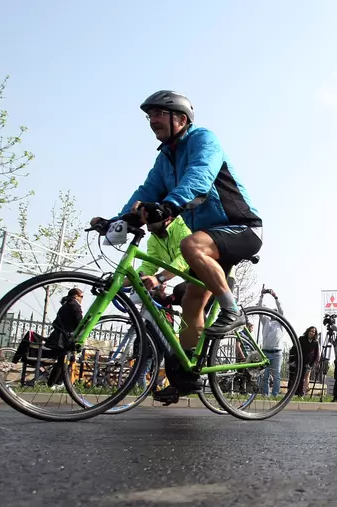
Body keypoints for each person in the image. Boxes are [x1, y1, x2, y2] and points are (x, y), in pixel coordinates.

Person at [90, 91, 262, 402]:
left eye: (159, 113)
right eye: (149, 115)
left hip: (240, 228)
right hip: (212, 241)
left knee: (189, 244)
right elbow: (146, 190)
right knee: (193, 305)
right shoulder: (165, 158)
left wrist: (169, 206)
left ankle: (233, 310)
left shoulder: (204, 140)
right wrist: (119, 220)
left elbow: (200, 176)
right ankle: (187, 379)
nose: (152, 120)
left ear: (181, 119)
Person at [258, 289, 285, 397]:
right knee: (265, 375)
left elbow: (281, 310)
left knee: (276, 375)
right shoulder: (266, 321)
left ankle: (275, 394)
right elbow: (259, 309)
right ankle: (265, 393)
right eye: (272, 312)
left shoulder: (280, 323)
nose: (273, 314)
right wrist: (261, 296)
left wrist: (275, 297)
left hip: (276, 353)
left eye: (275, 312)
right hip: (265, 351)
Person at [290, 326, 321, 396]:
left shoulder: (315, 343)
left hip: (307, 363)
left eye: (313, 332)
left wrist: (311, 364)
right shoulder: (302, 339)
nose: (311, 333)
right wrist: (292, 359)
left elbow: (316, 354)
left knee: (303, 377)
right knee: (298, 376)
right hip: (299, 360)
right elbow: (294, 348)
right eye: (310, 331)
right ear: (308, 331)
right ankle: (297, 392)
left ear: (315, 334)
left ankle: (300, 393)